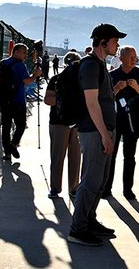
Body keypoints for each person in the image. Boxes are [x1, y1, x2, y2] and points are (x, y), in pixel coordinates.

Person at [68, 23, 125, 246]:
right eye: (114, 41)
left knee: (99, 181)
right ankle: (78, 228)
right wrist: (104, 134)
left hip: (102, 130)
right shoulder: (91, 66)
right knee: (91, 181)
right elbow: (91, 103)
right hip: (94, 131)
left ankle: (89, 221)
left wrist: (115, 91)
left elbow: (100, 98)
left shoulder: (100, 65)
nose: (117, 45)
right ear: (103, 43)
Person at [103, 45, 139, 200]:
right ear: (121, 58)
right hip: (115, 119)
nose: (133, 59)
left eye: (135, 56)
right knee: (111, 155)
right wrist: (116, 88)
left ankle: (127, 189)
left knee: (130, 156)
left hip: (132, 121)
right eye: (130, 56)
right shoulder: (112, 75)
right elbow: (105, 98)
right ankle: (106, 187)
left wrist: (136, 87)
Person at [45, 51, 82, 199]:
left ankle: (65, 188)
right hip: (66, 123)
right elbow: (48, 99)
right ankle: (64, 188)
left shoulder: (59, 79)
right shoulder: (58, 80)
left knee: (67, 157)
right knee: (65, 156)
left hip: (68, 123)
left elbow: (48, 99)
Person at [0, 43, 42, 160]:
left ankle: (7, 153)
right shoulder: (19, 65)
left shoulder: (3, 63)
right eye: (24, 52)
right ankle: (13, 144)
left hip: (4, 101)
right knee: (21, 125)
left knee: (6, 127)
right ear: (16, 51)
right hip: (18, 100)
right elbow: (27, 81)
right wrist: (36, 75)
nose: (25, 55)